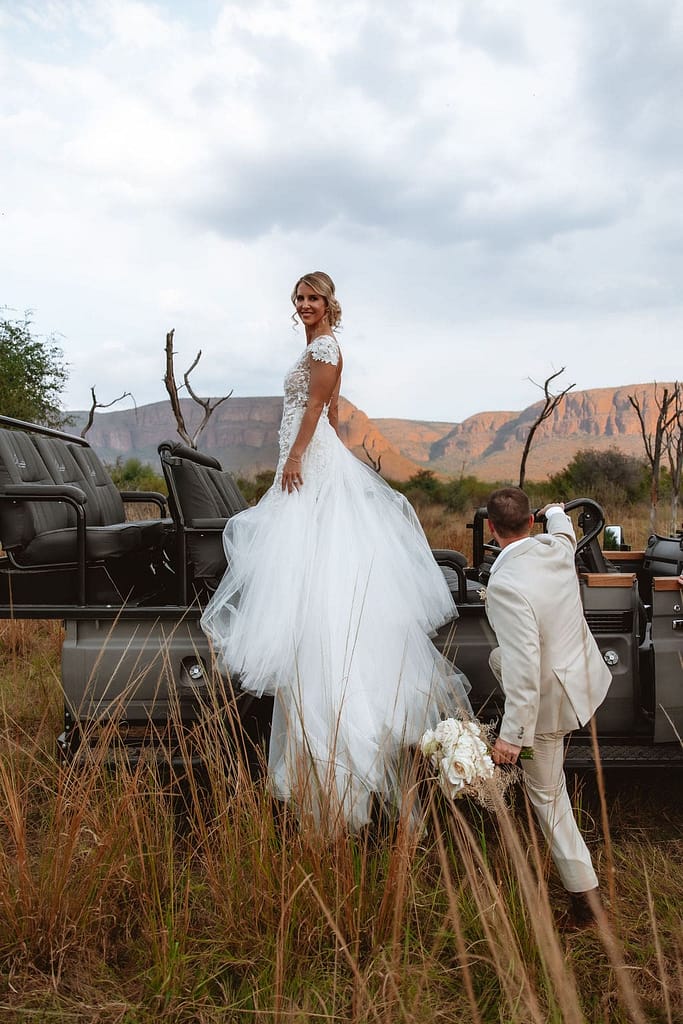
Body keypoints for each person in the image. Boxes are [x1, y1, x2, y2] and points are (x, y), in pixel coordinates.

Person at [201, 272, 470, 831]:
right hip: (309, 454)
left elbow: (318, 407)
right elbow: (334, 412)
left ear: (329, 303)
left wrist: (297, 460)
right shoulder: (313, 344)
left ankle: (340, 776)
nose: (304, 305)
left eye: (313, 298)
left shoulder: (324, 346)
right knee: (298, 555)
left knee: (314, 561)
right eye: (298, 298)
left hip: (309, 457)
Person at [483, 487, 612, 927]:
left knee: (548, 796)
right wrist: (556, 509)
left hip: (548, 703)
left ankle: (586, 901)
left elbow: (524, 667)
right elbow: (564, 527)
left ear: (491, 528)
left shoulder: (503, 583)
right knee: (495, 657)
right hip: (583, 681)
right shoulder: (558, 548)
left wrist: (511, 737)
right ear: (531, 522)